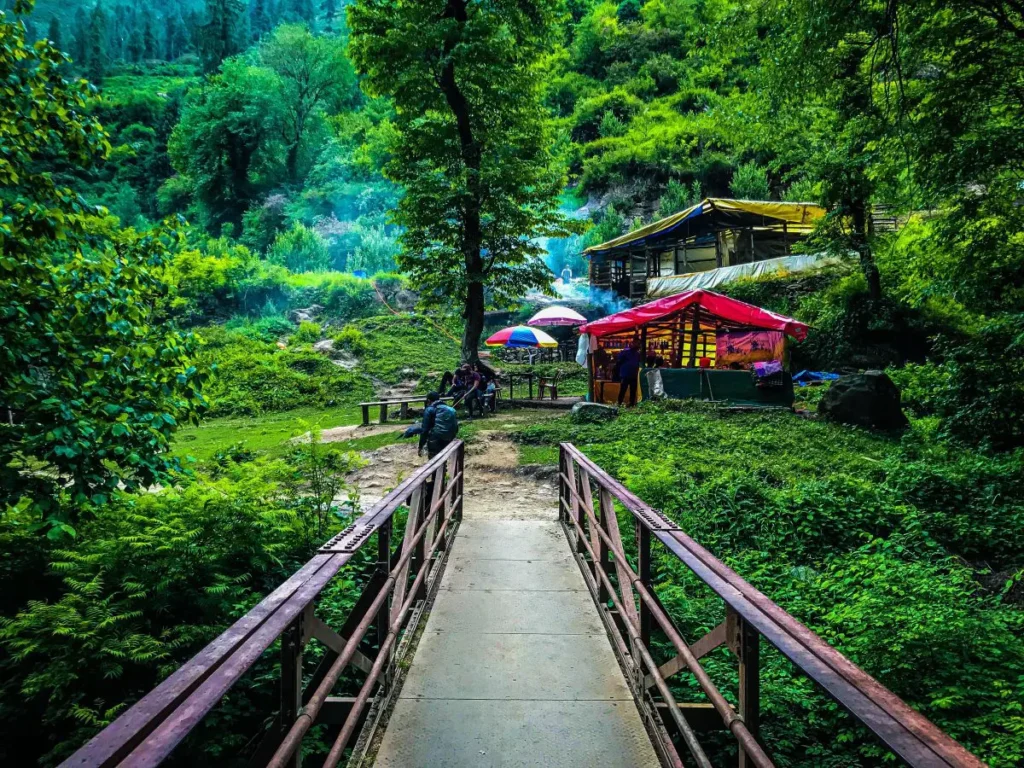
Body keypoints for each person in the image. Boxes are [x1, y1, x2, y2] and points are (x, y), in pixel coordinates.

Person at [418, 392, 459, 458]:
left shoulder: (429, 409)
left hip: (436, 438)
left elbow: (425, 429)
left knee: (434, 460)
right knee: (443, 460)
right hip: (450, 437)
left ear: (428, 400)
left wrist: (420, 446)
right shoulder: (450, 408)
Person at [615, 340, 642, 407]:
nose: (637, 346)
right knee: (623, 389)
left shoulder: (637, 354)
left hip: (633, 374)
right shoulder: (625, 352)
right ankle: (619, 403)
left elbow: (639, 362)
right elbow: (619, 361)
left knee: (632, 391)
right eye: (636, 344)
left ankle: (631, 404)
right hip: (626, 374)